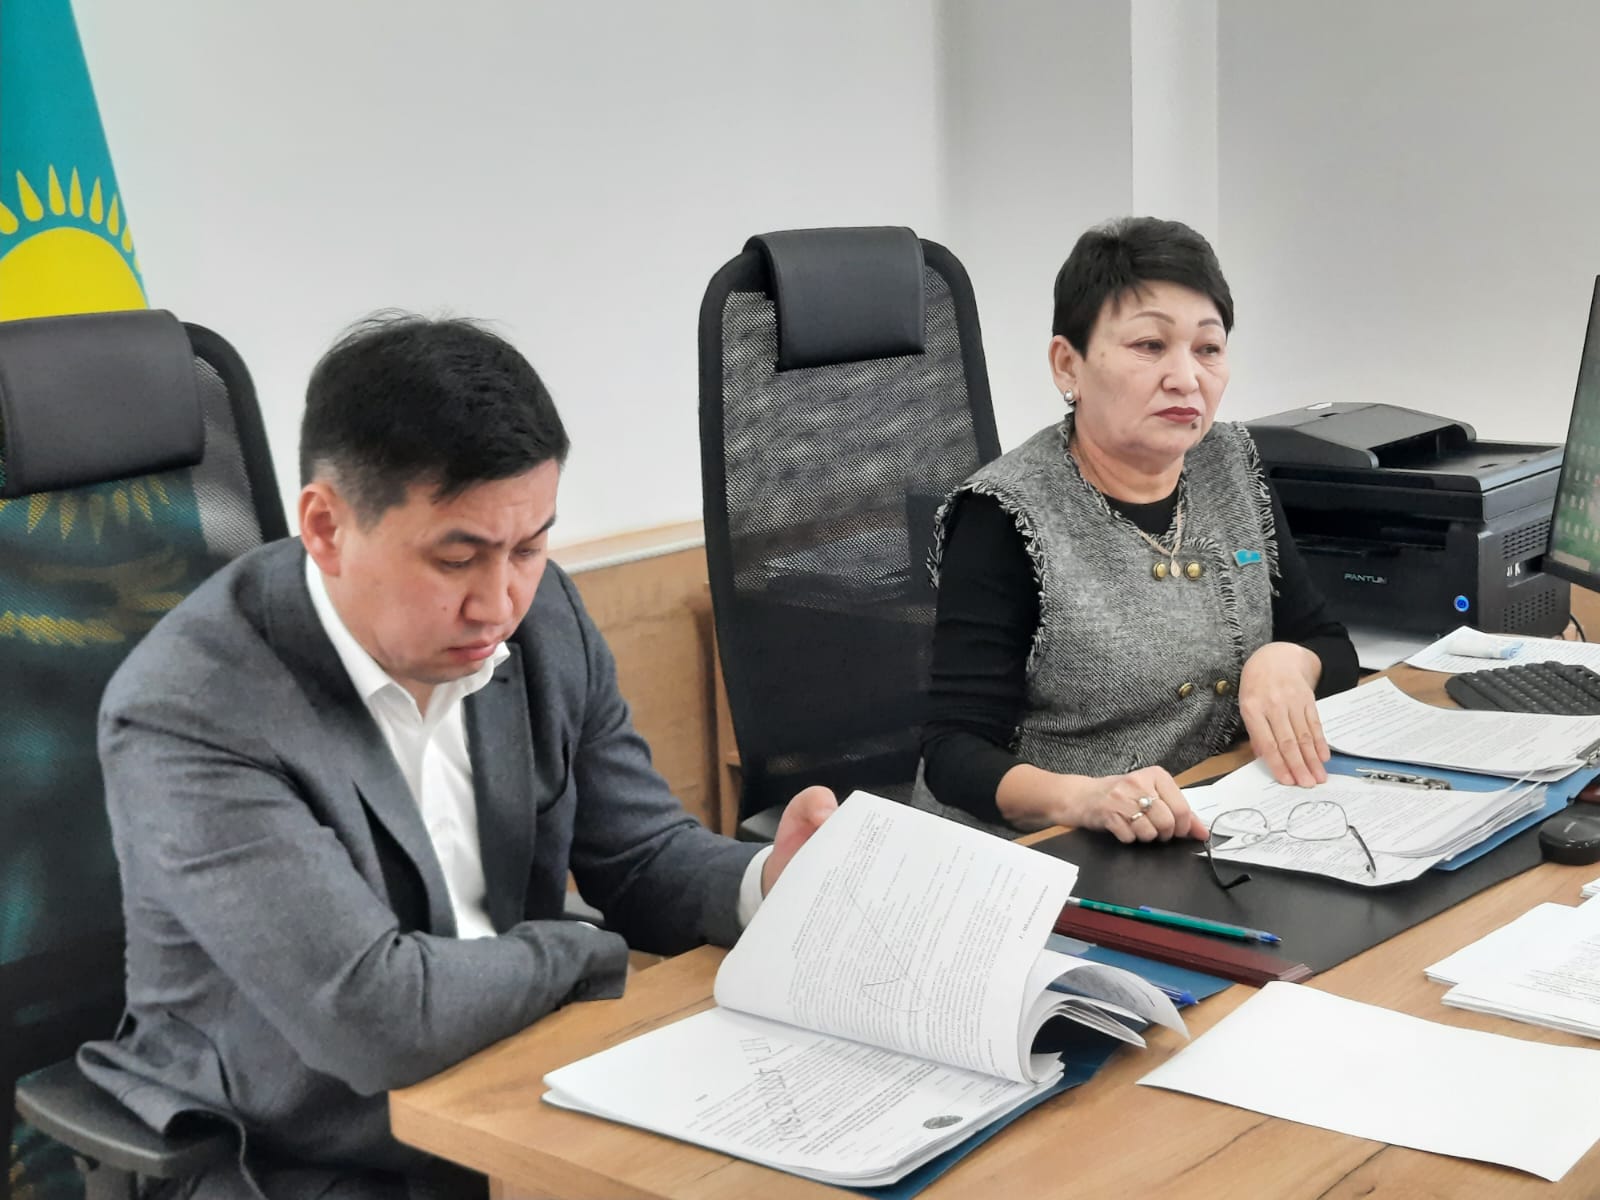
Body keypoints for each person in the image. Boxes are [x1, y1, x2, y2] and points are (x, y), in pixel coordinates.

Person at [79, 314, 837, 1200]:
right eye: (456, 558)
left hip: (522, 1084)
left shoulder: (542, 615)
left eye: (530, 546)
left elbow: (640, 855)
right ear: (326, 526)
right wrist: (576, 955)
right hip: (295, 1152)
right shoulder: (192, 709)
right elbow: (375, 1018)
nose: (499, 603)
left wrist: (766, 883)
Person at [913, 217, 1359, 842]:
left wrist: (1286, 661)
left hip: (1207, 819)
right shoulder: (1004, 514)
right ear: (1067, 365)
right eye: (1150, 346)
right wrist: (1085, 799)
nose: (1186, 377)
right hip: (1042, 849)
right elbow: (953, 752)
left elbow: (1329, 644)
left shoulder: (1231, 463)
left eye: (1208, 348)